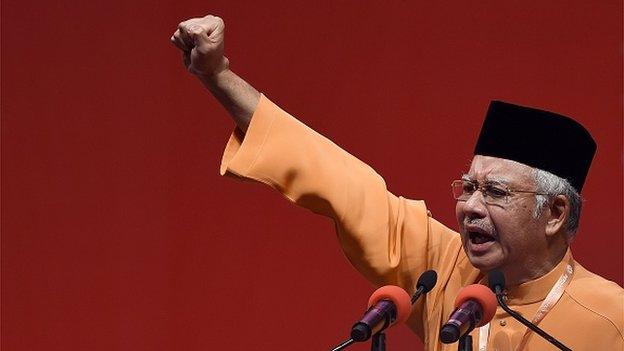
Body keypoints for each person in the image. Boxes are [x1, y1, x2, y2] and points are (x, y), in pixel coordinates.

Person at [170, 14, 623, 351]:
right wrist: (218, 76)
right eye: (467, 187)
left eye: (496, 192)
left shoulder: (612, 319)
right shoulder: (444, 269)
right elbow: (337, 179)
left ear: (555, 213)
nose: (469, 206)